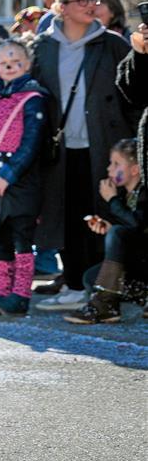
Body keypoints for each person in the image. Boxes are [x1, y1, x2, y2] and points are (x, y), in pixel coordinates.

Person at [31, 0, 134, 311]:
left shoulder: (111, 44)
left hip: (104, 146)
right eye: (80, 0)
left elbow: (132, 96)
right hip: (59, 148)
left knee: (101, 215)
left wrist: (132, 148)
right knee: (65, 215)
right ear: (60, 8)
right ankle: (74, 283)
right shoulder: (43, 47)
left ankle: (102, 288)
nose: (90, 4)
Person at [0, 38, 50, 316]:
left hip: (21, 181)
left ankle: (21, 295)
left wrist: (9, 175)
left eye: (17, 63)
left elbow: (31, 142)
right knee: (1, 237)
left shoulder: (33, 98)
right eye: (5, 63)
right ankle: (2, 292)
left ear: (27, 65)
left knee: (21, 237)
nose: (11, 67)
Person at [65, 139, 145, 324]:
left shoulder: (143, 193)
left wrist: (112, 200)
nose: (109, 169)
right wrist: (109, 229)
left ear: (135, 170)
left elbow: (138, 225)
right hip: (140, 265)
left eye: (116, 164)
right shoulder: (126, 195)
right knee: (91, 278)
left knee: (118, 233)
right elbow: (131, 231)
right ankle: (143, 296)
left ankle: (104, 305)